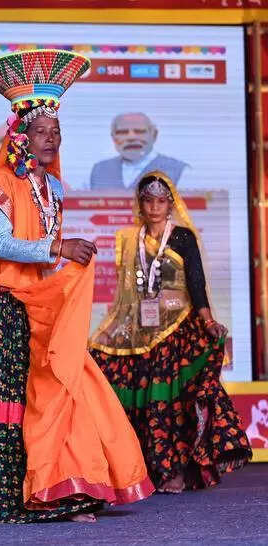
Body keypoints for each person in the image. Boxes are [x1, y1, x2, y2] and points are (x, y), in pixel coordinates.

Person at [0, 49, 154, 523]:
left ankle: (59, 489)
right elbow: (2, 245)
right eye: (41, 131)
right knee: (6, 403)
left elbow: (43, 249)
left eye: (56, 131)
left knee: (58, 391)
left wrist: (62, 276)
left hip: (36, 304)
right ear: (21, 136)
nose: (51, 138)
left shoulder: (53, 188)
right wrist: (59, 248)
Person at [89, 171, 251, 493]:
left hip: (176, 330)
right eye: (148, 201)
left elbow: (196, 282)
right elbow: (124, 297)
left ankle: (175, 472)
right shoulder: (129, 240)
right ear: (140, 204)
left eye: (161, 201)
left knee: (172, 403)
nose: (154, 207)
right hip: (140, 332)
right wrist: (108, 332)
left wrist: (208, 321)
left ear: (170, 204)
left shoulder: (182, 237)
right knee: (141, 401)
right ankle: (143, 471)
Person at [89, 113, 189, 189]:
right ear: (113, 138)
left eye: (139, 131)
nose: (131, 138)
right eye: (122, 132)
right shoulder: (98, 170)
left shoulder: (180, 171)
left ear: (154, 135)